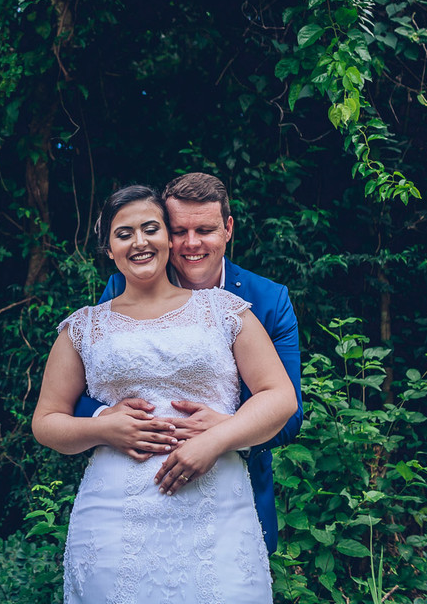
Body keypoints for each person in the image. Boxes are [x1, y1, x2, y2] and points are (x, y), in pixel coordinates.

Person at [32, 185, 298, 603]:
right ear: (108, 248)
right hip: (115, 518)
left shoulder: (225, 310)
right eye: (124, 233)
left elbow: (281, 398)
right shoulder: (83, 327)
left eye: (151, 228)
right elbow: (46, 421)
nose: (139, 241)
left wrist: (216, 438)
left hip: (217, 513)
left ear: (164, 238)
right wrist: (105, 428)